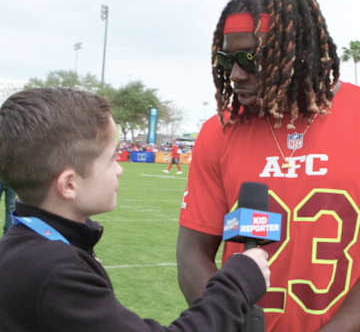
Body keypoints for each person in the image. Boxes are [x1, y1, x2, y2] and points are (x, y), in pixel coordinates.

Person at [0, 87, 270, 331]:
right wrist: (238, 281)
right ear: (69, 184)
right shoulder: (55, 272)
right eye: (111, 159)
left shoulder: (27, 247)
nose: (119, 169)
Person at [176, 0, 360, 332]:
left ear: (296, 52)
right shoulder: (219, 132)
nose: (236, 74)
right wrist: (224, 322)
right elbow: (192, 251)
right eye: (227, 59)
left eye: (251, 58)